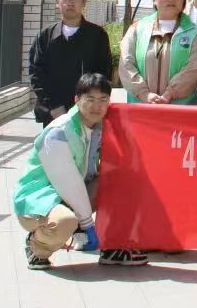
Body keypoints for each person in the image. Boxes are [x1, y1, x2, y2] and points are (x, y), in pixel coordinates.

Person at [12, 73, 147, 269]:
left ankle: (113, 246)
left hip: (73, 194)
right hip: (39, 200)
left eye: (103, 100)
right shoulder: (58, 132)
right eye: (90, 99)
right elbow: (68, 182)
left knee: (121, 182)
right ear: (76, 99)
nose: (96, 106)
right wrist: (87, 224)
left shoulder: (101, 126)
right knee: (65, 222)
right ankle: (36, 247)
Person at [27, 0, 112, 125]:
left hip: (87, 113)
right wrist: (53, 106)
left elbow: (103, 73)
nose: (70, 2)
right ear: (57, 2)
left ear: (84, 2)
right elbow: (36, 74)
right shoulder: (45, 36)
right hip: (53, 114)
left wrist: (90, 104)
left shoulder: (97, 35)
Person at [119, 0, 197, 104]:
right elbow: (126, 64)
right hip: (141, 107)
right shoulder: (137, 29)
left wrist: (169, 94)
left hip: (182, 108)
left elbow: (194, 69)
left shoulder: (196, 33)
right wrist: (143, 93)